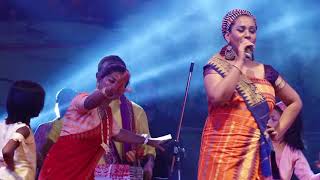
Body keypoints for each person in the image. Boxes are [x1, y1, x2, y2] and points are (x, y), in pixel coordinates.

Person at [198, 9, 302, 179]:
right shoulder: (215, 66)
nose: (248, 35)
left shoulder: (267, 72)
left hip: (257, 155)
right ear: (227, 35)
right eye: (241, 30)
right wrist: (239, 61)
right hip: (222, 154)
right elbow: (218, 97)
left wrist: (279, 130)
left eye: (252, 31)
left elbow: (295, 102)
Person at [38, 55, 163, 179]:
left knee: (135, 174)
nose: (116, 86)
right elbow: (88, 104)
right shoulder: (81, 101)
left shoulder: (110, 114)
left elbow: (119, 133)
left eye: (121, 83)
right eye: (111, 80)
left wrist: (147, 141)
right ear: (98, 78)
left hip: (99, 174)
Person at [0, 80, 45, 180]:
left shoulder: (2, 126)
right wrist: (11, 168)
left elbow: (24, 151)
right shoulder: (23, 130)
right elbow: (7, 151)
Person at [268, 101, 320, 180]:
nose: (268, 123)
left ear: (288, 124)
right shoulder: (258, 143)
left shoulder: (293, 152)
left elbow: (308, 178)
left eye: (273, 119)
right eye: (267, 118)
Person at [34, 88, 77, 175]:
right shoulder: (44, 128)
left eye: (69, 100)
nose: (66, 104)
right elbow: (33, 157)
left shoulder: (86, 130)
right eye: (62, 101)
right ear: (56, 104)